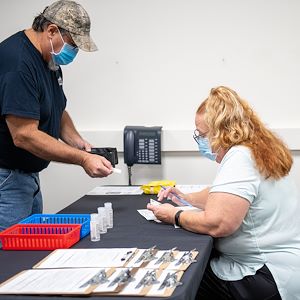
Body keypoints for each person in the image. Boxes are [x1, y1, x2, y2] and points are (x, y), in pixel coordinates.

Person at [147, 86, 300, 300]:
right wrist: (185, 197)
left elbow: (218, 223)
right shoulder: (259, 148)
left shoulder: (240, 156)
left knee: (184, 279)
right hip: (286, 266)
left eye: (202, 134)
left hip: (264, 274)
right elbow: (226, 193)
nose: (200, 140)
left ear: (220, 132)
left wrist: (174, 215)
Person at [0, 0, 113, 232]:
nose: (74, 53)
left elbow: (56, 109)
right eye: (73, 45)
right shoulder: (18, 63)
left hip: (28, 177)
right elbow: (24, 135)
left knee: (30, 251)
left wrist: (78, 142)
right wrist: (82, 159)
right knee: (10, 258)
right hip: (7, 179)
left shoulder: (48, 60)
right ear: (51, 30)